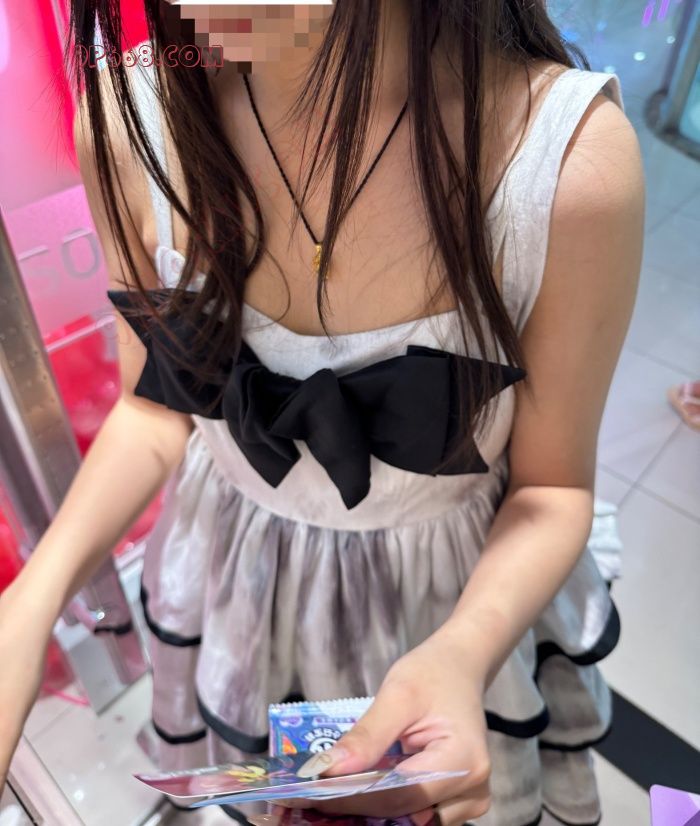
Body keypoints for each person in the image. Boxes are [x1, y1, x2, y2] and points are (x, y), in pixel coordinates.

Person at [0, 2, 645, 824]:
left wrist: (464, 650)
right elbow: (152, 408)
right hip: (237, 589)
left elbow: (552, 490)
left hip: (453, 598)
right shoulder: (131, 129)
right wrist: (29, 606)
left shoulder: (565, 169)